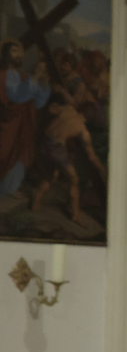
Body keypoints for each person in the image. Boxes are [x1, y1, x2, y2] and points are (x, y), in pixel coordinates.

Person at [31, 93, 106, 225]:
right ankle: (76, 215)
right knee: (74, 179)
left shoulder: (68, 109)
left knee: (51, 175)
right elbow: (91, 156)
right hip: (56, 148)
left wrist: (56, 108)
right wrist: (101, 167)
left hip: (44, 143)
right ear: (90, 118)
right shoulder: (83, 130)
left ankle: (35, 203)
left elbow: (51, 109)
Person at [0, 40, 50, 197]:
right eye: (14, 51)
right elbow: (15, 98)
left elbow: (39, 102)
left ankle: (10, 188)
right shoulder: (3, 75)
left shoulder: (23, 76)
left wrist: (42, 83)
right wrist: (34, 77)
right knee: (4, 154)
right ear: (6, 54)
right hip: (7, 124)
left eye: (20, 52)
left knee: (21, 154)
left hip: (23, 124)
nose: (19, 55)